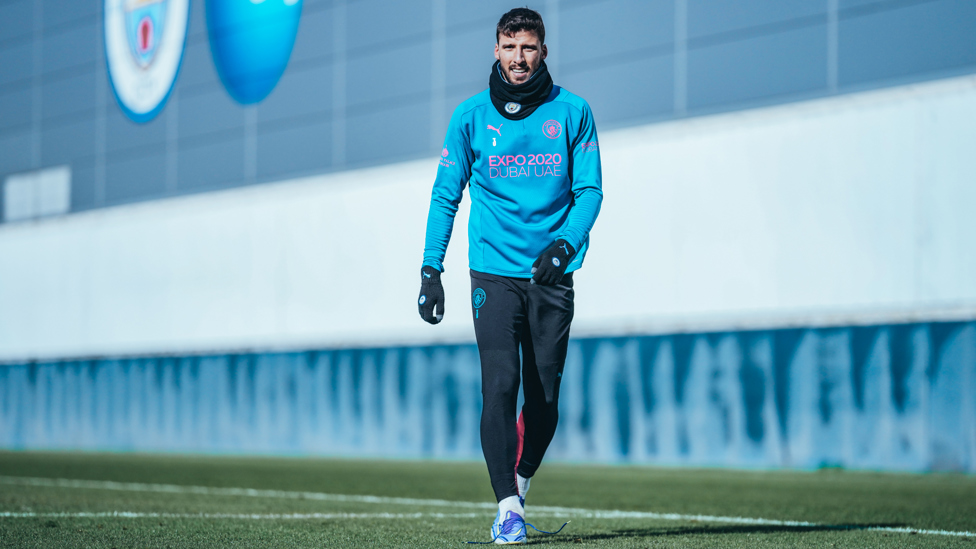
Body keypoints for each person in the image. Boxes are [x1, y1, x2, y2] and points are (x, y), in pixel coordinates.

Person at [417, 7, 602, 544]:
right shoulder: (470, 117)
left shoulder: (573, 111)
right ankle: (506, 511)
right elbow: (445, 195)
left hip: (551, 274)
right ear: (495, 50)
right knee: (500, 385)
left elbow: (589, 191)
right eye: (509, 46)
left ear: (543, 51)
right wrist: (432, 268)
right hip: (491, 274)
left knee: (544, 400)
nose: (519, 58)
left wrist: (564, 245)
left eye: (529, 47)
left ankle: (519, 488)